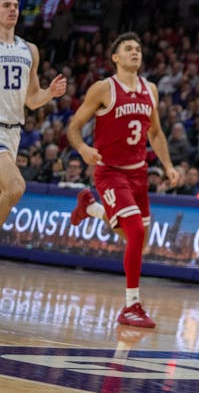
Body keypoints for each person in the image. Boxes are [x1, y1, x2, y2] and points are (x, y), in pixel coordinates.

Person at [66, 32, 177, 329]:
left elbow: (155, 133)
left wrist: (167, 165)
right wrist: (83, 148)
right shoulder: (104, 88)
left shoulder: (150, 89)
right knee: (136, 234)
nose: (135, 52)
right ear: (115, 57)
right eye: (128, 48)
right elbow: (74, 126)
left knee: (137, 243)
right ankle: (131, 306)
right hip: (110, 172)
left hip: (139, 173)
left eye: (138, 48)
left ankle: (90, 208)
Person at [0, 0, 67, 223]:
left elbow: (31, 99)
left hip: (14, 131)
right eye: (6, 5)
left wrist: (50, 93)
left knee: (5, 194)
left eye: (16, 6)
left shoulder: (30, 50)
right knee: (16, 186)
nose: (13, 10)